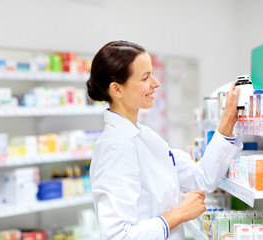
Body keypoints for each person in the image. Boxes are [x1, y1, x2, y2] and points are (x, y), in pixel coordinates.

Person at [86, 40, 242, 240]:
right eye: (145, 77)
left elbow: (200, 178)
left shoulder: (145, 136)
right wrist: (178, 214)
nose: (156, 83)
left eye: (152, 73)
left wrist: (228, 121)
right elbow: (117, 236)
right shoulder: (115, 147)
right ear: (117, 89)